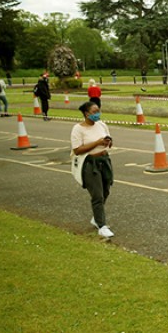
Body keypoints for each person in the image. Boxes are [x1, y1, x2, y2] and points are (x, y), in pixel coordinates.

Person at [71, 101, 115, 238]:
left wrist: (108, 142)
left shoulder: (101, 125)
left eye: (98, 111)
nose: (97, 114)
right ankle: (101, 226)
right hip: (90, 163)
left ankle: (96, 217)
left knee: (106, 190)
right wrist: (97, 143)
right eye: (94, 112)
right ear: (86, 113)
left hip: (104, 160)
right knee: (97, 195)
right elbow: (77, 150)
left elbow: (109, 142)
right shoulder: (78, 129)